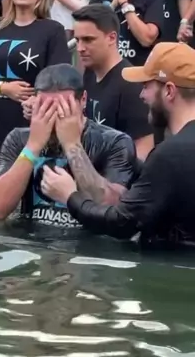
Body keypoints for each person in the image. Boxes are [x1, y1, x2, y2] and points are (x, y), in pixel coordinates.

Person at [42, 43, 195, 247]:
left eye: (146, 86)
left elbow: (121, 223)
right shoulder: (172, 155)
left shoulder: (170, 155)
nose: (141, 95)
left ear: (169, 91)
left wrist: (70, 196)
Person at [0, 63, 137, 229]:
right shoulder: (19, 139)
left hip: (86, 242)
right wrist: (33, 146)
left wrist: (72, 145)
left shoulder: (114, 141)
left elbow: (113, 208)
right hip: (31, 240)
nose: (54, 115)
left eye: (64, 107)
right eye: (46, 107)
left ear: (83, 100)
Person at [0, 0, 71, 176]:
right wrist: (2, 87)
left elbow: (59, 77)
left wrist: (37, 99)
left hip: (31, 121)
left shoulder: (52, 30)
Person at [73, 4, 154, 159]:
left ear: (111, 38)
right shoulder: (89, 72)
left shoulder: (131, 84)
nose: (80, 48)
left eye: (88, 40)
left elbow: (143, 149)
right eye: (77, 40)